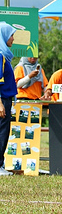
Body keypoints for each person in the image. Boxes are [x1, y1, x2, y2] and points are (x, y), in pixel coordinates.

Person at [0, 22, 17, 176]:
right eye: (11, 35)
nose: (13, 38)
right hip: (2, 100)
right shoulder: (0, 55)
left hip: (6, 100)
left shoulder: (5, 56)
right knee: (2, 132)